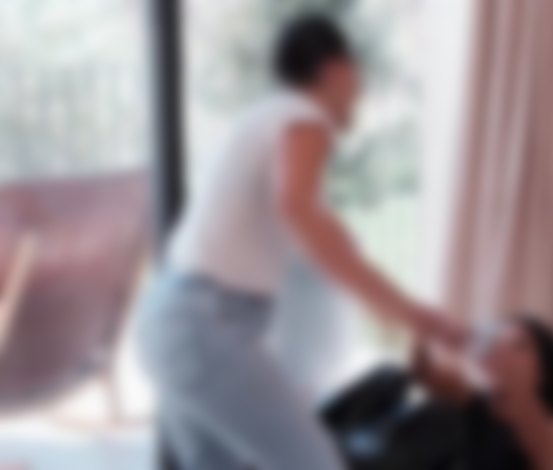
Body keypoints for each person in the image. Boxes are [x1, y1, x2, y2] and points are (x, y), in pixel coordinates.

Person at [135, 14, 458, 470]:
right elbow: (298, 212)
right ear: (335, 69)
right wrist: (412, 313)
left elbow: (321, 233)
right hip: (205, 325)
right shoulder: (304, 118)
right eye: (357, 74)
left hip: (171, 322)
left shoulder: (266, 119)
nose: (360, 91)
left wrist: (404, 310)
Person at [412, 315, 553, 470]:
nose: (497, 346)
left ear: (544, 372)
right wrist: (424, 332)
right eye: (499, 338)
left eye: (519, 344)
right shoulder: (479, 409)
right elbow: (427, 372)